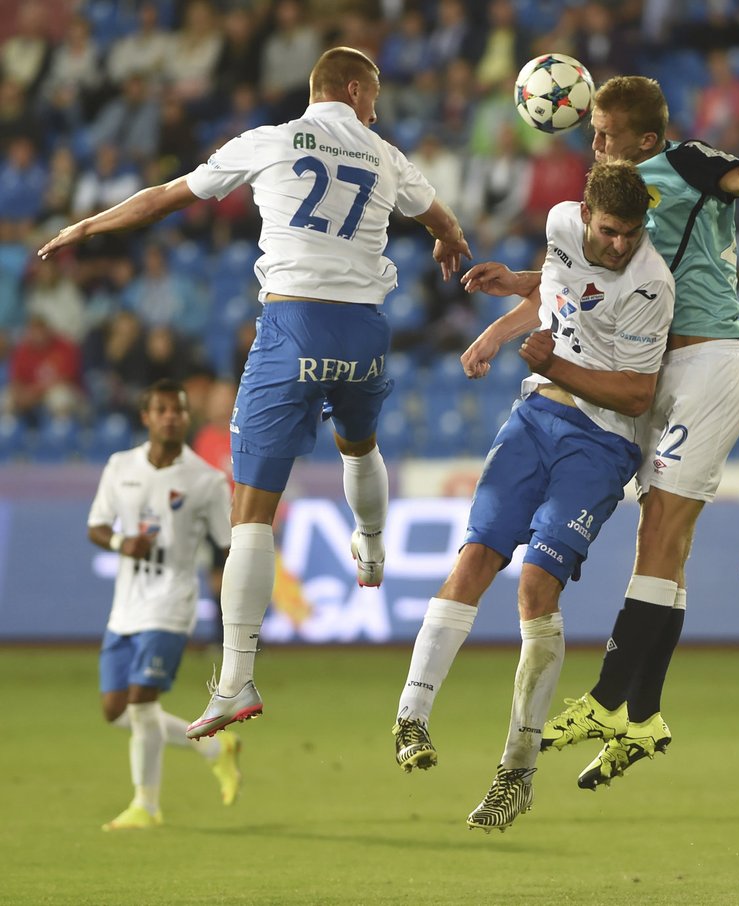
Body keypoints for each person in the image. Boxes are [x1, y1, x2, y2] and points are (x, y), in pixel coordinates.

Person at [40, 47, 472, 740]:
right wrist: (449, 241)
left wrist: (90, 225)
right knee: (359, 444)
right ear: (355, 90)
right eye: (375, 96)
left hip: (293, 325)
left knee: (250, 511)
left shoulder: (267, 142)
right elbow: (443, 219)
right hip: (364, 331)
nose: (378, 108)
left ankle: (235, 680)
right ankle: (371, 545)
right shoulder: (386, 155)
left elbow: (167, 198)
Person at [460, 75, 739, 789]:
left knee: (665, 530)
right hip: (668, 374)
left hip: (708, 360)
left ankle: (609, 699)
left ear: (645, 139)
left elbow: (736, 180)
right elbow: (571, 281)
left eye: (605, 130)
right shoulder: (616, 212)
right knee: (660, 545)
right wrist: (517, 287)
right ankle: (643, 717)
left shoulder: (683, 162)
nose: (593, 139)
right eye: (592, 129)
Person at [392, 160, 675, 832]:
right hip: (535, 416)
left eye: (630, 234)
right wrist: (497, 331)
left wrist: (555, 365)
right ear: (584, 214)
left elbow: (637, 394)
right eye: (609, 231)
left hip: (603, 442)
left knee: (536, 587)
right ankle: (410, 717)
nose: (618, 245)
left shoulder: (652, 284)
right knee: (473, 559)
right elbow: (558, 290)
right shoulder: (558, 226)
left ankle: (515, 771)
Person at [87, 379, 237, 831]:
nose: (171, 416)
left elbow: (228, 542)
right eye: (162, 409)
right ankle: (213, 747)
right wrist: (119, 541)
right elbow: (95, 526)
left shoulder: (206, 481)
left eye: (179, 410)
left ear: (186, 418)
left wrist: (228, 582)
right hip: (126, 606)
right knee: (117, 710)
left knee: (143, 700)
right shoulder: (120, 467)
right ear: (146, 417)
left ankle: (146, 805)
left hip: (172, 603)